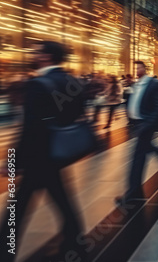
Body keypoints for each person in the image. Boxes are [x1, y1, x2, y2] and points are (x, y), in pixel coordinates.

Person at [0, 41, 86, 261]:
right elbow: (77, 111)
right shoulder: (71, 80)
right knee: (61, 200)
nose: (33, 54)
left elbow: (30, 128)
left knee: (16, 209)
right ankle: (76, 241)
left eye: (37, 51)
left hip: (37, 156)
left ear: (46, 57)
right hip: (57, 153)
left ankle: (5, 251)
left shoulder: (38, 84)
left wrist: (12, 161)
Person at [116, 61, 158, 205]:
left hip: (146, 125)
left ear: (145, 69)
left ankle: (132, 193)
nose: (136, 70)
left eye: (138, 67)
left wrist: (148, 124)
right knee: (147, 148)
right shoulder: (136, 84)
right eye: (135, 68)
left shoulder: (155, 84)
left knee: (137, 157)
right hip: (137, 124)